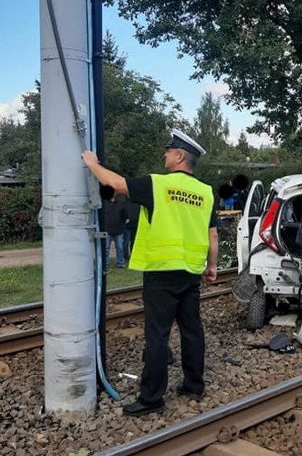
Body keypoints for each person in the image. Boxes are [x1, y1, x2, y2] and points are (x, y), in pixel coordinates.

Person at [81, 128, 219, 416]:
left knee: (157, 335)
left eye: (169, 150)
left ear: (180, 156)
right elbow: (213, 235)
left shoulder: (158, 185)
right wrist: (212, 266)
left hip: (161, 272)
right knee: (192, 330)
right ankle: (194, 385)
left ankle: (152, 398)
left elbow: (114, 183)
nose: (165, 154)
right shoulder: (206, 192)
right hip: (190, 273)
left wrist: (92, 163)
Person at [103, 195, 128, 268]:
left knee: (120, 248)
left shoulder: (121, 203)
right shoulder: (104, 204)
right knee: (106, 249)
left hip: (119, 230)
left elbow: (125, 216)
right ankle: (105, 264)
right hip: (107, 230)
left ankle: (121, 264)